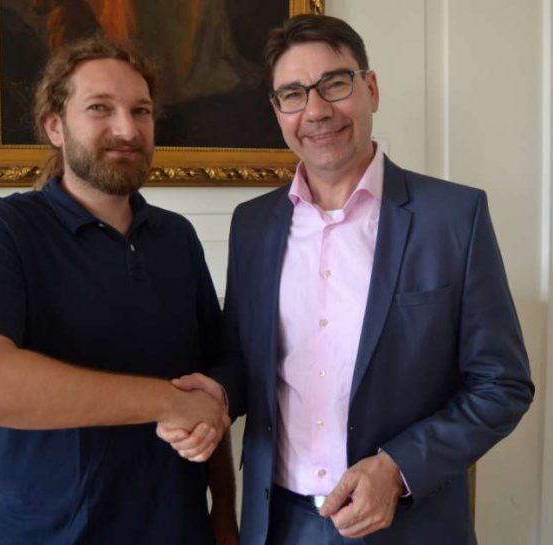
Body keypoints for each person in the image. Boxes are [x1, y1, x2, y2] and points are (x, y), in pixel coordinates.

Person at [159, 14, 534, 545]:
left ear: (371, 88)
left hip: (411, 524)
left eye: (334, 83)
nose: (316, 110)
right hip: (280, 525)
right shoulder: (254, 225)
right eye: (293, 94)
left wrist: (396, 470)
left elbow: (502, 384)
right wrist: (217, 392)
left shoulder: (452, 217)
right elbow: (249, 361)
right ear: (277, 110)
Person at [0, 36, 237, 545]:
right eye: (100, 108)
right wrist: (163, 401)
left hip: (178, 530)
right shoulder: (3, 228)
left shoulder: (177, 237)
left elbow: (207, 388)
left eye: (140, 111)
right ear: (55, 126)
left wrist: (225, 517)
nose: (127, 129)